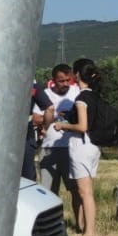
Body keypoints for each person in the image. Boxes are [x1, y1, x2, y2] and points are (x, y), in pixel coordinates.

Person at [60, 61, 104, 236]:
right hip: (94, 146)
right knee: (87, 191)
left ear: (77, 75)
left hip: (82, 146)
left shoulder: (81, 99)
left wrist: (62, 126)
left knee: (84, 192)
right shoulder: (95, 96)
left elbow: (82, 126)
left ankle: (89, 232)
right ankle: (87, 228)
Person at [36, 63, 78, 197]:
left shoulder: (76, 92)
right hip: (49, 147)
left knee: (76, 191)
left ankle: (78, 219)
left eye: (68, 80)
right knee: (47, 192)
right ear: (53, 81)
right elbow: (36, 118)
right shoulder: (45, 95)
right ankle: (52, 218)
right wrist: (54, 116)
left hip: (71, 147)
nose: (65, 84)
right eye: (61, 81)